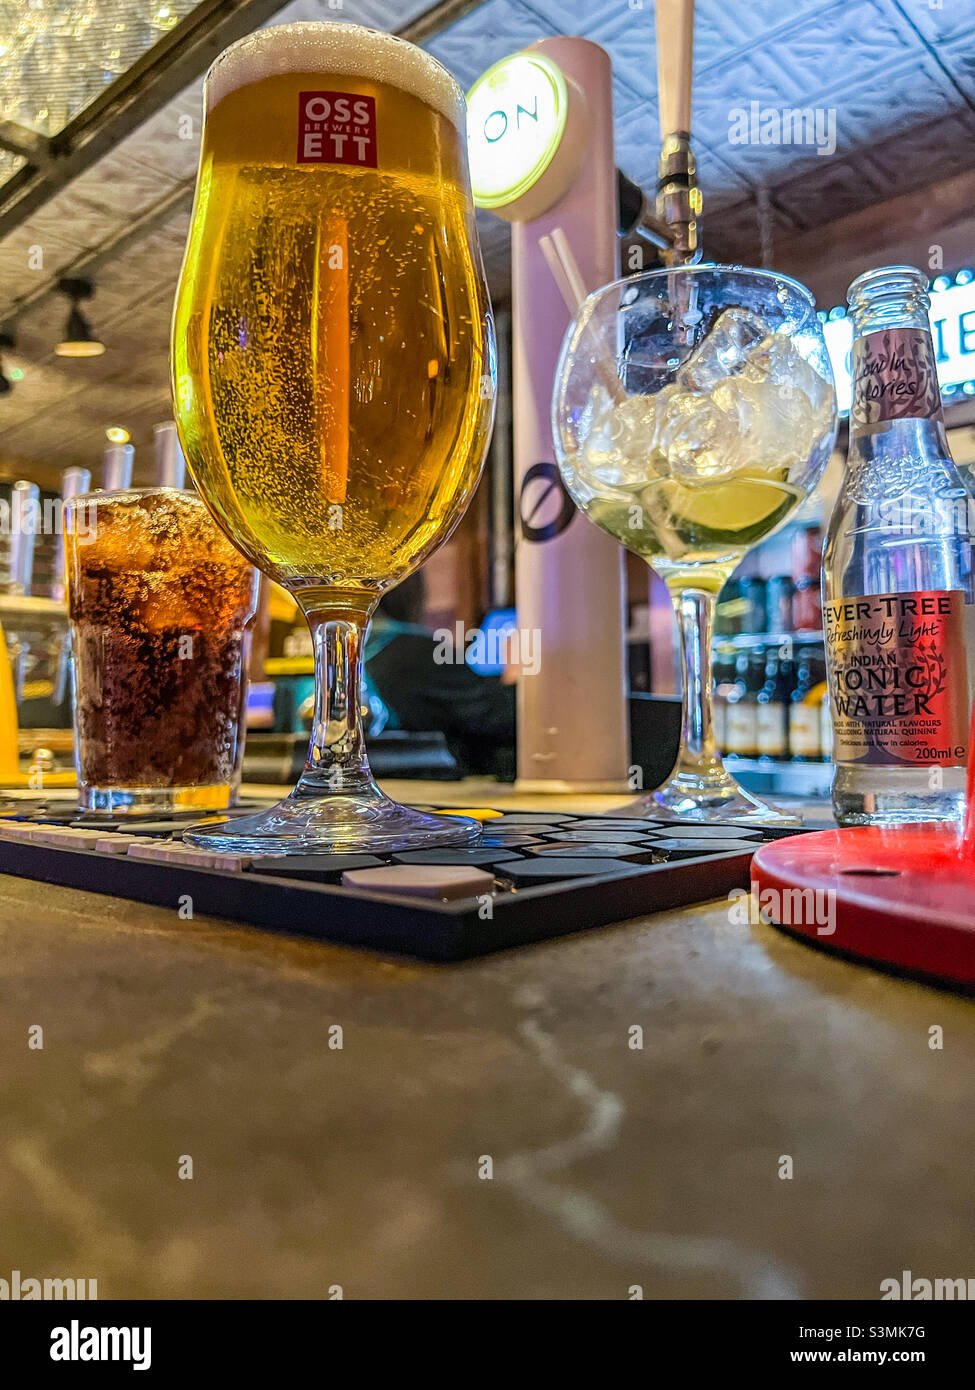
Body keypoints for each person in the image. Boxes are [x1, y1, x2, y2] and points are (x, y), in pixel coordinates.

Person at [365, 573, 516, 779]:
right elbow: (497, 719)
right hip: (414, 791)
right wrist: (517, 675)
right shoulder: (416, 653)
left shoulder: (340, 647)